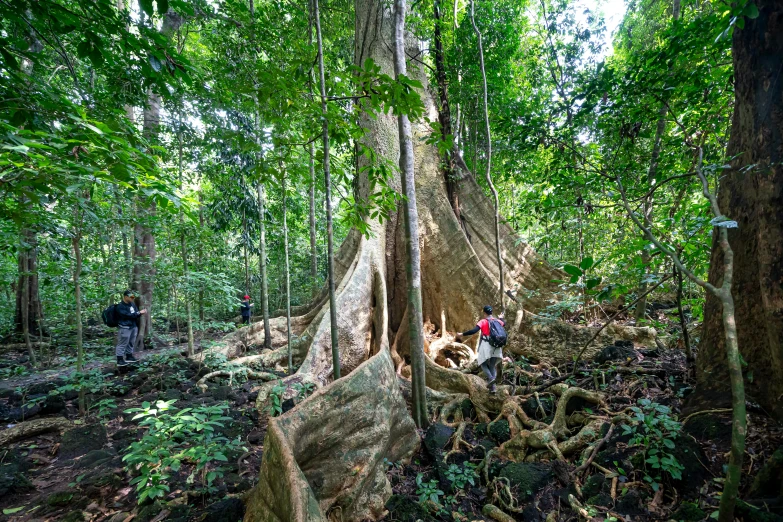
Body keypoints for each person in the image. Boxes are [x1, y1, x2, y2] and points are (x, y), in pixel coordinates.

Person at [456, 305, 505, 393]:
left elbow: (474, 331)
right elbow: (503, 323)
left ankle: (491, 381)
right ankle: (493, 387)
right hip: (497, 346)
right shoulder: (497, 321)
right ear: (491, 312)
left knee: (483, 363)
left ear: (484, 313)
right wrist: (501, 318)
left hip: (486, 345)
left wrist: (462, 334)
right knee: (492, 366)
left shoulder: (483, 321)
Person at [116, 290, 147, 367]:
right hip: (125, 327)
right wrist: (139, 313)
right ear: (126, 297)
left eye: (133, 297)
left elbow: (135, 314)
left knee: (131, 342)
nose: (133, 298)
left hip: (133, 326)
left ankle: (129, 356)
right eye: (131, 297)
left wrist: (139, 313)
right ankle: (119, 359)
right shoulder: (120, 306)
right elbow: (127, 315)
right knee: (122, 343)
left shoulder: (132, 304)